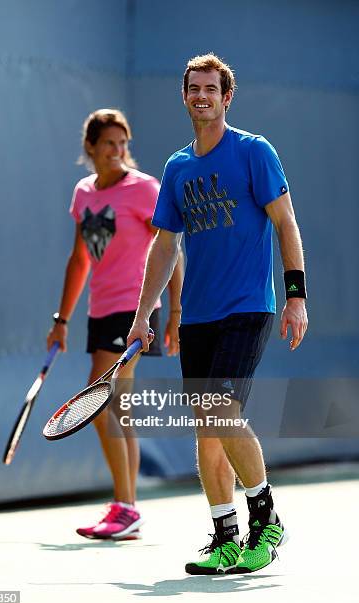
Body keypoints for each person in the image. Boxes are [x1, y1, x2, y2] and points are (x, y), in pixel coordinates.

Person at [127, 54, 308, 573]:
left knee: (221, 410)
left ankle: (266, 519)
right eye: (194, 89)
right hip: (198, 317)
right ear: (184, 96)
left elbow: (286, 223)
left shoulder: (254, 152)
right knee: (207, 424)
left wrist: (296, 294)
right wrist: (147, 313)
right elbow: (165, 245)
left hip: (248, 307)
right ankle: (227, 537)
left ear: (227, 98)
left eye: (212, 89)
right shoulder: (178, 167)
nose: (202, 96)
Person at [47, 108, 183, 541]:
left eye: (123, 143)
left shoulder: (144, 190)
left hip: (135, 308)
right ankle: (126, 508)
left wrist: (174, 313)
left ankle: (126, 507)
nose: (118, 151)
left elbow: (171, 250)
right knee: (116, 406)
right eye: (109, 143)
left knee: (105, 398)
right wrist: (61, 319)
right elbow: (79, 259)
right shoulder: (83, 193)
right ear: (91, 147)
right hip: (99, 310)